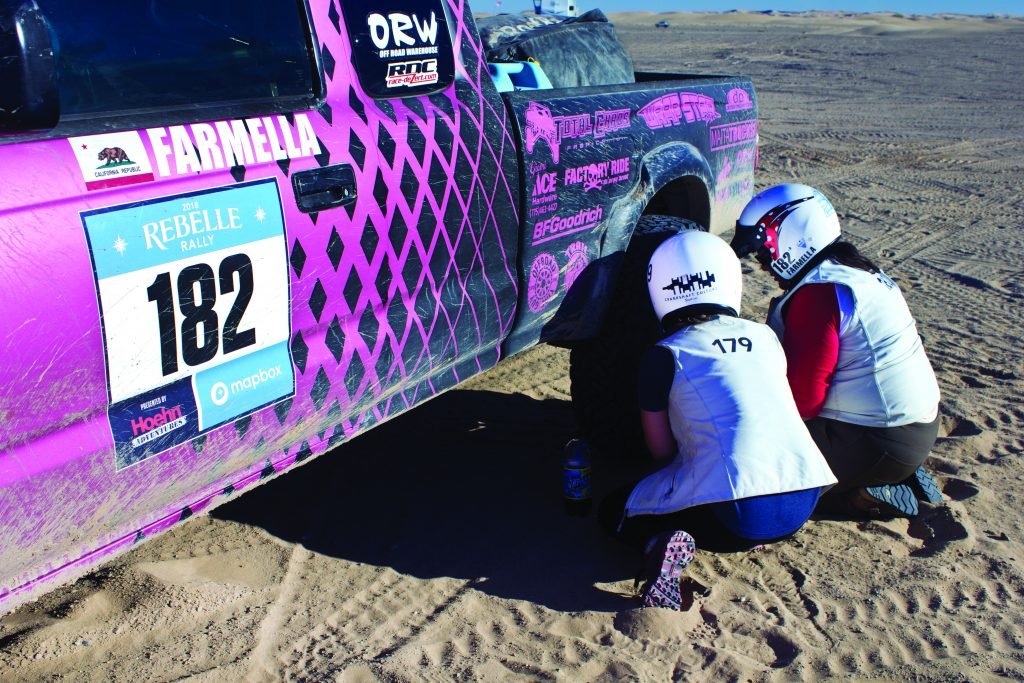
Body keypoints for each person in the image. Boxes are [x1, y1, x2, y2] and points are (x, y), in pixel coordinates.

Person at [601, 230, 836, 610]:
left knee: (615, 511)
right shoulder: (765, 337)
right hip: (804, 496)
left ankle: (658, 544)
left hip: (737, 512)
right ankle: (750, 533)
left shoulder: (664, 355)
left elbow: (661, 450)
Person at [730, 183, 943, 518]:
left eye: (764, 251)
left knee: (752, 482)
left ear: (791, 235)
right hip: (916, 427)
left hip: (876, 440)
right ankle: (890, 474)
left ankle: (859, 495)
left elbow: (804, 401)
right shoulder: (858, 270)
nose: (764, 263)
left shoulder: (819, 294)